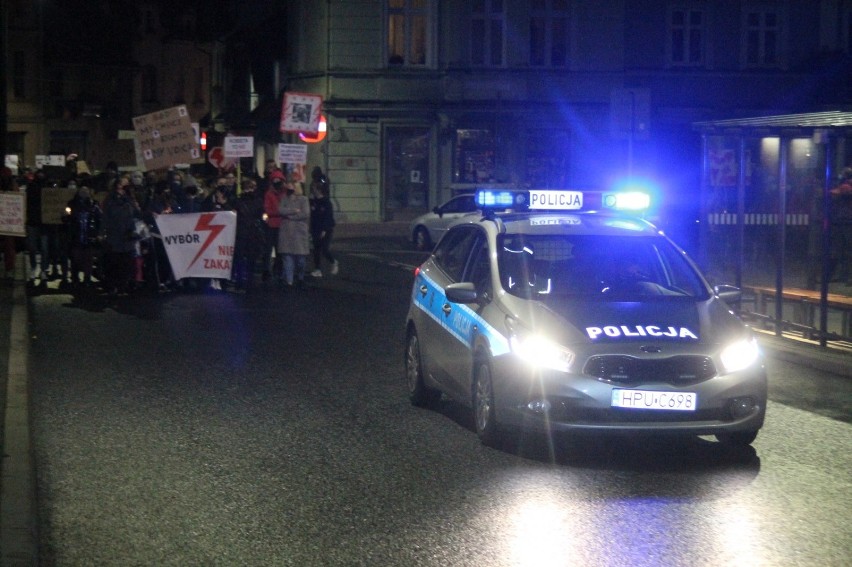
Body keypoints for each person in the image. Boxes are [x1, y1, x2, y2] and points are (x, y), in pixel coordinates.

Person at [100, 176, 140, 295]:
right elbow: (107, 216)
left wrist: (132, 200)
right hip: (115, 235)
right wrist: (102, 232)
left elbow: (136, 213)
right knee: (114, 262)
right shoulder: (110, 199)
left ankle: (123, 285)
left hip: (127, 236)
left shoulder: (129, 199)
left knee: (126, 263)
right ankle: (112, 286)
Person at [64, 186, 102, 288]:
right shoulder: (71, 203)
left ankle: (87, 278)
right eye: (82, 191)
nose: (84, 193)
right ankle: (75, 278)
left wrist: (98, 233)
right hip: (76, 235)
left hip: (89, 236)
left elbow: (99, 218)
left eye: (86, 191)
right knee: (75, 258)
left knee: (88, 259)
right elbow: (68, 216)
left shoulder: (94, 204)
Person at [233, 178, 266, 291]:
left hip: (245, 232)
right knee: (246, 258)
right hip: (249, 232)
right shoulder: (256, 201)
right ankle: (246, 281)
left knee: (243, 258)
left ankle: (241, 280)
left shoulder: (239, 201)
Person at [277, 180, 310, 288]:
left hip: (299, 232)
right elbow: (280, 210)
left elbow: (305, 214)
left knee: (301, 259)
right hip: (286, 232)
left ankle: (300, 277)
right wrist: (294, 211)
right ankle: (289, 281)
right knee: (287, 256)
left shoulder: (304, 200)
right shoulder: (284, 199)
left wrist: (289, 215)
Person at [308, 167, 338, 277]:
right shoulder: (313, 201)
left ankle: (333, 262)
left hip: (325, 228)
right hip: (316, 227)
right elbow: (312, 214)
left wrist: (325, 229)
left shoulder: (323, 181)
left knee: (324, 249)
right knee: (316, 249)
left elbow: (328, 217)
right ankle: (317, 269)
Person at [263, 170, 287, 283]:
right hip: (271, 225)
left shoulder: (284, 193)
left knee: (279, 250)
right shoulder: (269, 194)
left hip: (281, 226)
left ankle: (278, 270)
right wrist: (281, 211)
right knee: (268, 250)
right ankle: (266, 271)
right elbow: (268, 210)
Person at [1, 167, 21, 279]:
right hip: (9, 222)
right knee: (9, 247)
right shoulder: (13, 185)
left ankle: (9, 268)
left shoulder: (13, 186)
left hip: (8, 221)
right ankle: (9, 269)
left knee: (9, 247)